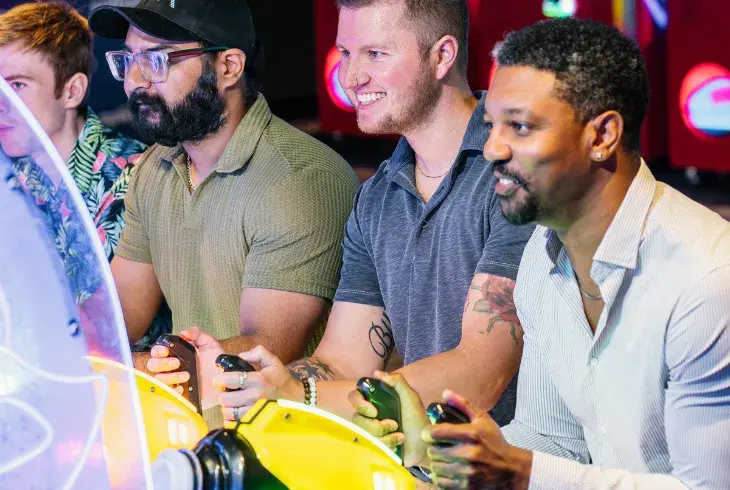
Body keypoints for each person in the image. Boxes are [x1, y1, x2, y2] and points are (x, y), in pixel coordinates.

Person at [350, 18, 730, 490]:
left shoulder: (707, 280)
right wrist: (433, 448)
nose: (491, 149)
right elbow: (553, 441)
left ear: (602, 135)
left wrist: (519, 472)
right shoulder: (541, 259)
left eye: (520, 127)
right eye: (490, 125)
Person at [208, 0, 534, 429]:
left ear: (442, 55)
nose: (350, 76)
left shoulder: (513, 170)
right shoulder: (377, 196)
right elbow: (342, 360)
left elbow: (480, 374)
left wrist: (300, 393)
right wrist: (260, 383)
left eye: (375, 54)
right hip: (423, 464)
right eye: (345, 53)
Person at [88, 0, 359, 423]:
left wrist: (124, 367)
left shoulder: (300, 177)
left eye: (157, 59)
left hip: (284, 452)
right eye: (127, 60)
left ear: (229, 66)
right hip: (193, 438)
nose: (135, 81)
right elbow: (115, 316)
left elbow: (259, 355)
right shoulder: (155, 169)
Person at [0, 1, 172, 349]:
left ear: (72, 91)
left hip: (129, 389)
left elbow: (105, 331)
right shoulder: (10, 179)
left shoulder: (132, 178)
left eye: (16, 86)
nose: (3, 104)